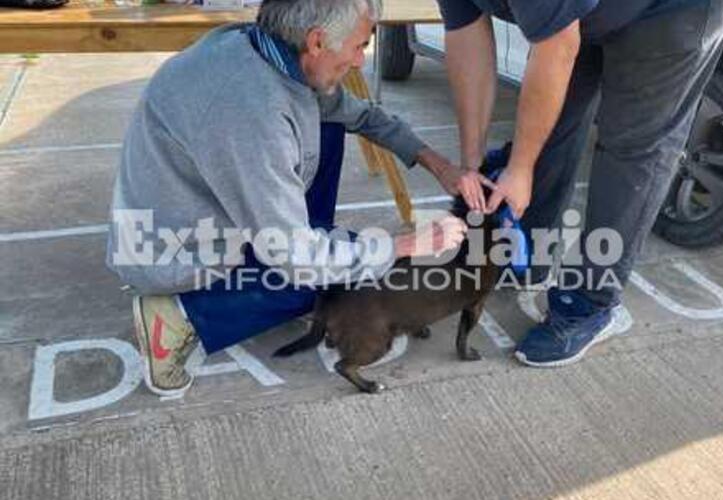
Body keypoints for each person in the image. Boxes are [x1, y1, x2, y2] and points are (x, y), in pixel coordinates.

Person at [106, 0, 489, 397]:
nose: (360, 61)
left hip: (198, 205)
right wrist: (405, 245)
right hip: (171, 249)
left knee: (329, 125)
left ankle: (306, 243)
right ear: (317, 41)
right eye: (360, 45)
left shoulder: (265, 51)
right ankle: (177, 317)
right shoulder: (252, 116)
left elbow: (362, 115)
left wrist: (439, 165)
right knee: (323, 278)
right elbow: (296, 257)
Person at [436, 0, 723, 366]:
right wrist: (473, 162)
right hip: (591, 12)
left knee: (633, 149)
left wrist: (520, 168)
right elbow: (467, 35)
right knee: (550, 124)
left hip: (672, 11)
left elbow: (557, 46)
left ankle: (590, 304)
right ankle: (527, 256)